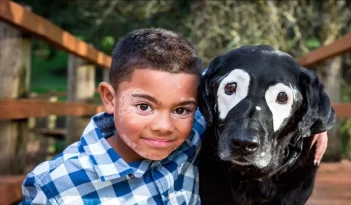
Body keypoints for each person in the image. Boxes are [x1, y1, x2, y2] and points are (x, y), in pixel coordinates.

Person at [20, 28, 329, 205]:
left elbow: (230, 84)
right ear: (110, 99)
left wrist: (310, 120)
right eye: (144, 106)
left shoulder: (190, 133)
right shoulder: (56, 186)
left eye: (181, 109)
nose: (163, 126)